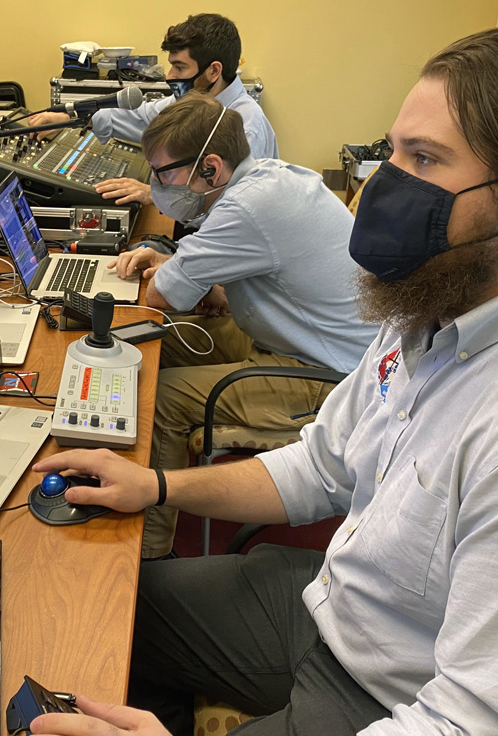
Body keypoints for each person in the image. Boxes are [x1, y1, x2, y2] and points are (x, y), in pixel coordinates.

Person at [23, 27, 498, 736]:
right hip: (347, 623)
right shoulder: (434, 308)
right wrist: (161, 488)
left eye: (425, 160)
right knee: (105, 608)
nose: (381, 185)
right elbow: (321, 464)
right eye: (395, 151)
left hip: (416, 719)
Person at [113, 93, 374, 557]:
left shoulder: (245, 209)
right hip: (301, 338)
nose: (155, 185)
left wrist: (175, 269)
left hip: (330, 377)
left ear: (210, 168)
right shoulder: (270, 178)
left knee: (165, 397)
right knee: (152, 343)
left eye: (163, 173)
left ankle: (151, 552)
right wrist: (184, 269)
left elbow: (160, 296)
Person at [29, 14, 277, 212]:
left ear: (214, 71)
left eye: (180, 67)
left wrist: (155, 195)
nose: (170, 76)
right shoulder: (191, 103)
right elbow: (137, 117)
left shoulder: (247, 127)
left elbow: (233, 216)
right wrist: (70, 118)